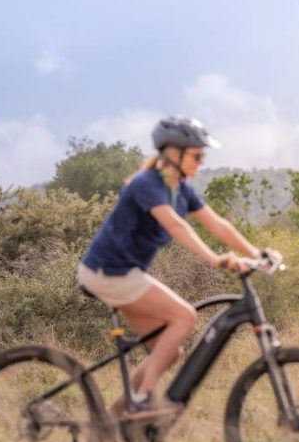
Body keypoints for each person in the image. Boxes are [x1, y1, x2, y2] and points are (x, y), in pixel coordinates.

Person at [77, 116, 279, 421]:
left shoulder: (182, 189)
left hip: (124, 275)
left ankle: (111, 419)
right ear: (173, 154)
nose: (201, 162)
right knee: (184, 316)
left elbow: (217, 224)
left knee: (169, 351)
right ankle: (144, 399)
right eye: (197, 156)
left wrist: (255, 253)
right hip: (108, 273)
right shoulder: (147, 185)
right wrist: (215, 259)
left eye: (202, 157)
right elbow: (174, 224)